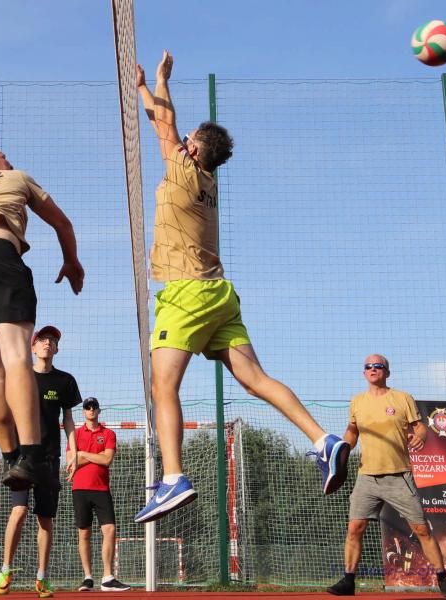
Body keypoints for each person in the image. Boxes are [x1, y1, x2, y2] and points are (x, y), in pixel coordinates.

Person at [132, 50, 350, 524]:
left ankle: (173, 477)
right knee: (255, 380)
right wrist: (149, 87)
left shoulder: (184, 171)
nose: (181, 140)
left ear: (193, 151)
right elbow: (164, 123)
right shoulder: (207, 181)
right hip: (219, 294)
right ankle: (323, 439)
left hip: (187, 293)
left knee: (162, 385)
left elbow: (163, 122)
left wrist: (155, 83)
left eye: (188, 139)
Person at [0, 145, 83, 491]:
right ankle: (32, 457)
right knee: (16, 358)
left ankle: (11, 458)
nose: (9, 160)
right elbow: (62, 222)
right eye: (3, 156)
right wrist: (72, 261)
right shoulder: (15, 178)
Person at [327, 355, 446, 597]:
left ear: (387, 372)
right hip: (367, 477)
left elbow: (419, 426)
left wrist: (421, 436)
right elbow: (352, 431)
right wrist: (342, 449)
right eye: (368, 366)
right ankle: (348, 581)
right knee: (355, 528)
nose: (373, 369)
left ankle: (443, 578)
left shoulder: (402, 398)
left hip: (399, 476)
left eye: (378, 366)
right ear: (364, 372)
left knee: (421, 529)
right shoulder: (357, 401)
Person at [0, 326, 81, 598]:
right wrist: (8, 447)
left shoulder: (65, 381)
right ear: (32, 347)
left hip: (50, 457)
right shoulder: (19, 376)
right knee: (18, 511)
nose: (48, 343)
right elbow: (3, 412)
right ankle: (5, 570)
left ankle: (42, 577)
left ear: (57, 349)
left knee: (45, 518)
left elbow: (68, 419)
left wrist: (73, 450)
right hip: (22, 456)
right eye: (42, 339)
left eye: (52, 340)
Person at [65, 397, 131, 592]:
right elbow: (70, 462)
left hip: (102, 489)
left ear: (99, 411)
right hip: (80, 489)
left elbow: (107, 459)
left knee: (109, 530)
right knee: (84, 533)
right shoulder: (75, 434)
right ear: (83, 411)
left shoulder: (108, 433)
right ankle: (87, 578)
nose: (91, 409)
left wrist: (82, 454)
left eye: (94, 407)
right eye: (87, 407)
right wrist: (94, 456)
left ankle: (108, 577)